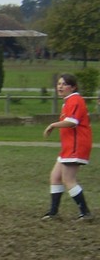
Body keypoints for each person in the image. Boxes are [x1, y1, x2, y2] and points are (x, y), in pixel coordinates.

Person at [42, 73, 93, 221]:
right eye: (59, 84)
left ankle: (85, 213)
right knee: (55, 177)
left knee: (68, 179)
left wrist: (52, 125)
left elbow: (72, 122)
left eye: (64, 84)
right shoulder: (69, 101)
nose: (60, 87)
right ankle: (53, 212)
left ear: (73, 87)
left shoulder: (75, 100)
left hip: (76, 146)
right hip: (69, 146)